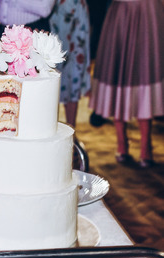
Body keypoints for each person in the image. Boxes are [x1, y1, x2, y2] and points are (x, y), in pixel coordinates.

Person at [89, 0, 164, 168]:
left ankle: (146, 145)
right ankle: (122, 143)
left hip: (148, 11)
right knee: (118, 74)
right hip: (121, 12)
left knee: (146, 73)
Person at [49, 0, 91, 128]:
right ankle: (49, 130)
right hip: (50, 10)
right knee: (50, 70)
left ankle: (72, 132)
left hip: (74, 9)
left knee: (74, 67)